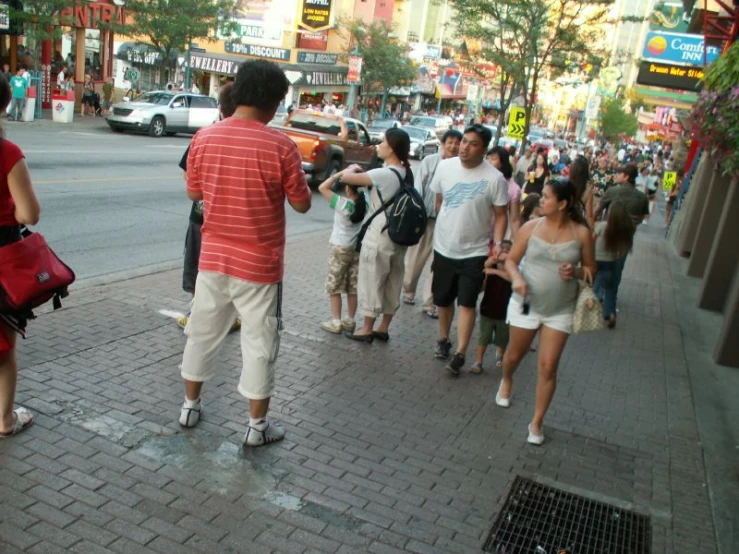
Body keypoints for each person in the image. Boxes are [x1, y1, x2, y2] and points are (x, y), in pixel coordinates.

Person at [178, 60, 311, 447]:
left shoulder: (204, 138)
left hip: (213, 257)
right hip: (260, 264)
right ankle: (256, 428)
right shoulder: (282, 146)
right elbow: (301, 204)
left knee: (201, 332)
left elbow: (194, 193)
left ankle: (189, 406)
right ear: (272, 102)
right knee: (259, 341)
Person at [498, 179, 596, 445]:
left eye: (547, 197)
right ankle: (507, 379)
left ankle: (537, 422)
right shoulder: (530, 227)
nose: (541, 200)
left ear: (563, 204)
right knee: (513, 356)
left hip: (561, 310)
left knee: (548, 366)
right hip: (526, 303)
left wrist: (575, 272)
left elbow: (591, 271)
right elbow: (511, 261)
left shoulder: (582, 234)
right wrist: (516, 278)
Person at [431, 124, 509, 375]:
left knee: (466, 302)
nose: (464, 147)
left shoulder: (494, 178)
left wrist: (497, 245)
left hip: (475, 251)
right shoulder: (445, 167)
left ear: (484, 149)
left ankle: (460, 353)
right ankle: (444, 340)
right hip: (444, 246)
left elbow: (501, 214)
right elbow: (439, 200)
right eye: (464, 141)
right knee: (442, 299)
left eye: (472, 143)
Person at [176, 84, 241, 333]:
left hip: (203, 217)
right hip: (230, 222)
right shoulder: (252, 140)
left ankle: (199, 312)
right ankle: (224, 314)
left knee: (198, 267)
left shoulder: (205, 136)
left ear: (221, 109)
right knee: (224, 272)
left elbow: (188, 179)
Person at [338, 128, 412, 343]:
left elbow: (348, 178)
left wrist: (350, 169)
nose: (379, 145)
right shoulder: (407, 172)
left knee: (372, 278)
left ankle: (367, 328)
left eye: (383, 142)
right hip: (399, 234)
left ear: (392, 148)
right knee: (392, 280)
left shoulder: (385, 173)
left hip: (379, 233)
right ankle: (383, 327)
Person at [0, 74, 41, 437]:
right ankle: (4, 419)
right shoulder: (8, 154)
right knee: (3, 346)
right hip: (2, 262)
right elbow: (29, 214)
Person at [402, 129, 462, 314]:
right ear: (442, 144)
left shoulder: (461, 167)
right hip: (426, 218)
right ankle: (408, 290)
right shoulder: (430, 161)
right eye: (449, 142)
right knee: (416, 257)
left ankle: (429, 302)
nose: (453, 146)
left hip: (447, 223)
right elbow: (418, 187)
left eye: (456, 143)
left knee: (438, 264)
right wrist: (416, 212)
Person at [316, 170, 367, 333]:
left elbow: (322, 187)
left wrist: (341, 173)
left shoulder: (343, 203)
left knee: (335, 285)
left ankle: (336, 321)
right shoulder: (365, 204)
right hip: (356, 249)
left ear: (347, 189)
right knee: (353, 286)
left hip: (340, 248)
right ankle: (350, 320)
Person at [593, 163, 648, 310]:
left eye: (619, 174)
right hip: (625, 238)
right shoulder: (641, 197)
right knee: (617, 270)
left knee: (600, 267)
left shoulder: (612, 191)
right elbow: (642, 217)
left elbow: (597, 211)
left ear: (626, 177)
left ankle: (597, 296)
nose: (615, 175)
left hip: (607, 235)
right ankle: (610, 300)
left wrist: (595, 226)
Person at [471, 240, 513, 374]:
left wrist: (495, 272)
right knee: (483, 337)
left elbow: (511, 278)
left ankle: (500, 355)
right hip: (487, 310)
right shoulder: (491, 267)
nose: (503, 253)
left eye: (507, 251)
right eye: (502, 250)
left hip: (505, 314)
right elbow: (486, 265)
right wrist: (494, 259)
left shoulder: (513, 270)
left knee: (502, 339)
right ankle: (479, 361)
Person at [593, 201, 634, 328]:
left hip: (597, 260)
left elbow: (592, 239)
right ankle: (610, 313)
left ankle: (595, 303)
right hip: (610, 263)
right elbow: (620, 251)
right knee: (610, 289)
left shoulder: (602, 226)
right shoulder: (622, 231)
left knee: (595, 284)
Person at [487, 146, 522, 238]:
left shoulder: (513, 188)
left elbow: (514, 219)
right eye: (488, 158)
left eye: (493, 159)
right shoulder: (479, 179)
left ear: (502, 162)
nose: (488, 161)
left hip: (494, 237)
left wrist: (516, 243)